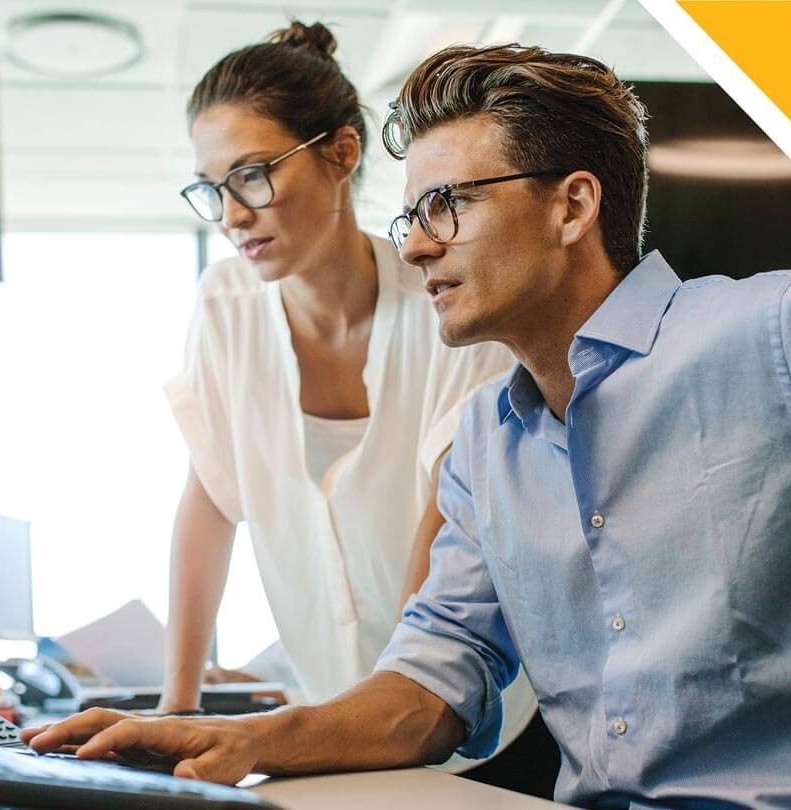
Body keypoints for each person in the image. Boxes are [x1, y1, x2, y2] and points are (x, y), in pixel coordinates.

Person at [23, 42, 791, 808]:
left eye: (449, 205)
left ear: (573, 205)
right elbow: (430, 687)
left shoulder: (776, 333)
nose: (419, 246)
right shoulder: (485, 441)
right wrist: (237, 737)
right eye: (412, 215)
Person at [155, 18, 518, 736]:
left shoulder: (448, 309)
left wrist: (382, 712)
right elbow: (210, 501)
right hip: (331, 705)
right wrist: (177, 704)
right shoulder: (225, 308)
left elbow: (449, 522)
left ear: (342, 153)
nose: (231, 215)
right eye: (212, 188)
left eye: (253, 175)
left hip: (472, 719)